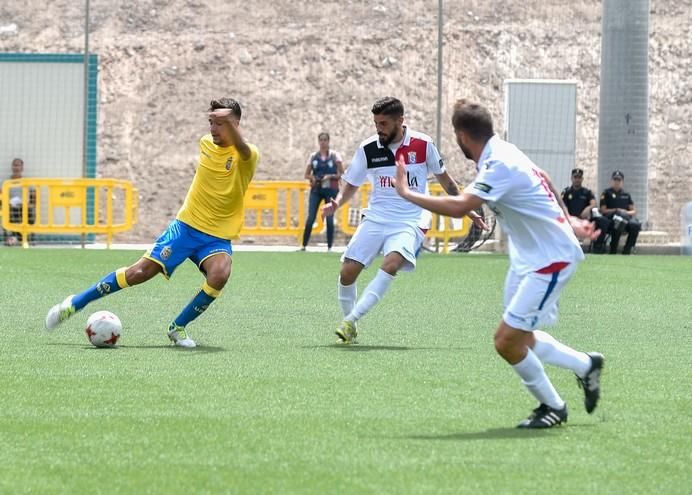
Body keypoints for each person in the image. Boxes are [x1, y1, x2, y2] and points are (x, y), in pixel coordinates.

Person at [393, 99, 604, 429]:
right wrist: (570, 219)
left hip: (550, 259)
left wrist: (407, 193)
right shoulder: (501, 151)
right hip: (528, 258)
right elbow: (545, 177)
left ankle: (553, 406)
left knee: (506, 341)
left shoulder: (499, 163)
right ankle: (585, 365)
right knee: (522, 337)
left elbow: (461, 206)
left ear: (462, 136)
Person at [44, 98, 260, 347]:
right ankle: (74, 303)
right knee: (138, 273)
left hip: (216, 236)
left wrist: (228, 124)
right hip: (186, 227)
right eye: (211, 122)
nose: (213, 129)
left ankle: (177, 327)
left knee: (220, 273)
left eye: (220, 124)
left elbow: (241, 147)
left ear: (236, 124)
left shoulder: (249, 154)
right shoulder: (206, 144)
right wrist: (223, 120)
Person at [322, 96, 485, 344]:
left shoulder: (423, 144)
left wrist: (467, 209)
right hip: (377, 217)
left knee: (391, 263)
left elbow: (446, 181)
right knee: (347, 273)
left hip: (412, 217)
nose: (379, 129)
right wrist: (337, 202)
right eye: (376, 123)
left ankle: (350, 321)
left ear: (401, 120)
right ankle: (351, 326)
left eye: (384, 123)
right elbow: (352, 184)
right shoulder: (368, 148)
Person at [300, 132, 344, 251]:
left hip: (331, 190)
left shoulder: (335, 156)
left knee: (329, 217)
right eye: (321, 140)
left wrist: (330, 176)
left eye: (325, 140)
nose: (323, 142)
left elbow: (342, 173)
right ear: (318, 142)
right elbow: (306, 174)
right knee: (311, 217)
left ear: (328, 141)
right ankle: (303, 245)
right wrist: (313, 178)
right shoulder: (313, 156)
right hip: (317, 189)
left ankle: (329, 246)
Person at [598, 170, 641, 255]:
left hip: (625, 218)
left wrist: (625, 212)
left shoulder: (626, 194)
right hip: (612, 219)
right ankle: (613, 249)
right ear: (612, 181)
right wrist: (616, 210)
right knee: (619, 222)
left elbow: (633, 211)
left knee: (635, 225)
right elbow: (603, 210)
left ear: (622, 182)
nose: (617, 182)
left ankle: (627, 249)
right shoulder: (606, 193)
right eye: (615, 180)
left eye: (619, 180)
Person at [2, 158, 36, 246]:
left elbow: (34, 197)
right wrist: (7, 203)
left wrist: (30, 204)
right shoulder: (6, 182)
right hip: (11, 207)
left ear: (22, 168)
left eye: (18, 165)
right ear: (12, 167)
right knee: (10, 213)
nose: (16, 167)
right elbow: (1, 197)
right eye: (14, 165)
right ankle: (15, 238)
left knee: (30, 212)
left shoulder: (27, 182)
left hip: (24, 207)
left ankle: (21, 238)